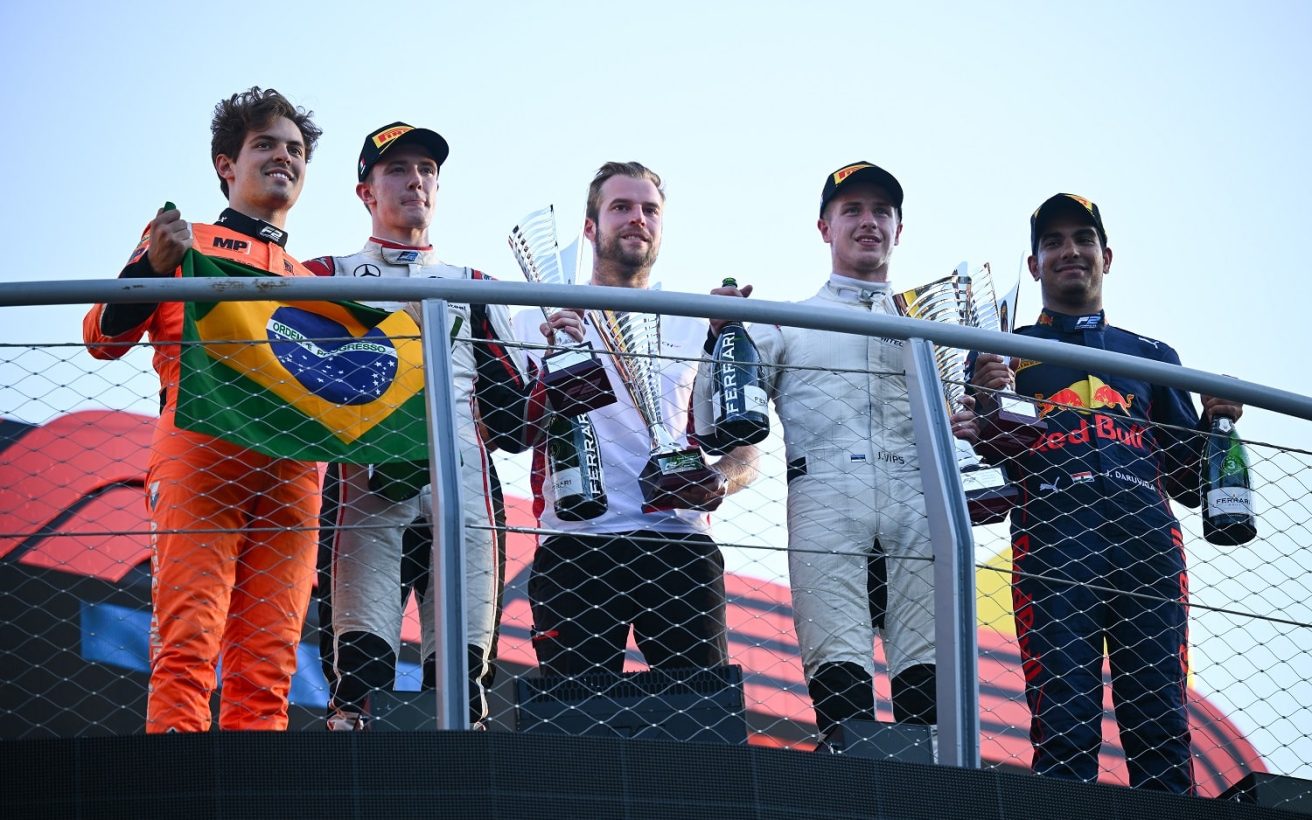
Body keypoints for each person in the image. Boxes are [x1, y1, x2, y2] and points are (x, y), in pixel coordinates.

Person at [694, 162, 979, 739]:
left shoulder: (938, 332)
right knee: (840, 680)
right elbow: (713, 425)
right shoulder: (787, 322)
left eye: (882, 211)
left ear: (900, 228)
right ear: (824, 227)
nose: (868, 222)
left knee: (928, 691)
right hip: (826, 502)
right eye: (852, 210)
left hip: (921, 510)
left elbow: (975, 431)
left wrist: (987, 390)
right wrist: (719, 336)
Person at [968, 193, 1242, 793]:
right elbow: (976, 469)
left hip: (1149, 543)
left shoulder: (1152, 357)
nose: (1070, 251)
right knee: (1063, 722)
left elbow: (1190, 482)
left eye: (1083, 239)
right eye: (1053, 242)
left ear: (1107, 256)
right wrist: (987, 402)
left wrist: (1215, 419)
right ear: (1034, 264)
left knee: (1162, 721)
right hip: (1053, 541)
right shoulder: (1000, 353)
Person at [82, 87, 323, 733]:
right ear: (226, 164)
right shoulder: (183, 239)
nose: (284, 157)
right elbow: (102, 336)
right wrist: (152, 267)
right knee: (188, 646)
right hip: (200, 450)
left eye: (295, 149)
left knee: (270, 667)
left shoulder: (317, 284)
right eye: (266, 144)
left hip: (295, 472)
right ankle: (177, 795)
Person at [307, 122, 530, 729]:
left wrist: (557, 373)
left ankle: (467, 766)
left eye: (427, 170)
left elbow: (514, 422)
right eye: (398, 170)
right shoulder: (326, 274)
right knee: (356, 672)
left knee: (465, 674)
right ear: (366, 191)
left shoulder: (474, 284)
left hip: (464, 482)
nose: (416, 181)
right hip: (363, 481)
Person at [516, 161, 759, 677]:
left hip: (680, 543)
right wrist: (547, 356)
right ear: (590, 227)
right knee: (573, 727)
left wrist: (718, 479)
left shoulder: (698, 320)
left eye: (649, 209)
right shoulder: (534, 316)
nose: (637, 219)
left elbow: (746, 449)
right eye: (620, 207)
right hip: (575, 544)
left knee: (699, 727)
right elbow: (515, 434)